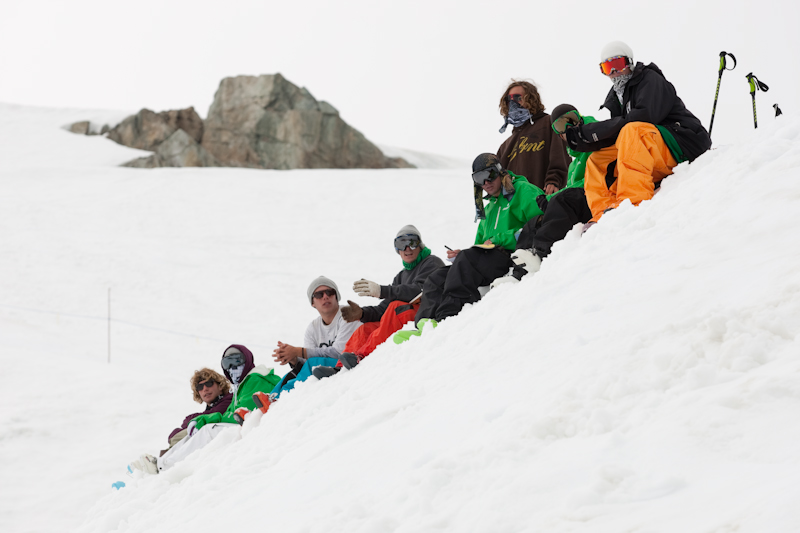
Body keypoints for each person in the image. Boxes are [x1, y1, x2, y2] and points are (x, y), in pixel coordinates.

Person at [562, 41, 712, 223]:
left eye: (617, 65)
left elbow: (644, 116)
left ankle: (633, 201)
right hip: (652, 150)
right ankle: (602, 213)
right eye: (607, 67)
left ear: (630, 62)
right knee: (596, 159)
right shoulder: (616, 97)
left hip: (683, 143)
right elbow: (617, 135)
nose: (613, 72)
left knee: (632, 131)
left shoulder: (650, 79)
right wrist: (590, 140)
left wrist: (597, 130)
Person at [402, 153, 544, 331]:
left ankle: (448, 317)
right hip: (491, 258)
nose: (485, 183)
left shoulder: (522, 191)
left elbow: (541, 224)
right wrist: (462, 255)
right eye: (478, 178)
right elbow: (480, 245)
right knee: (438, 276)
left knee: (467, 260)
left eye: (489, 175)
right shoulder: (490, 206)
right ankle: (423, 325)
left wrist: (498, 240)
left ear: (500, 171)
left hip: (513, 255)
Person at [131, 345, 280, 474]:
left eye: (237, 361)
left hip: (251, 428)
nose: (232, 368)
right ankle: (160, 463)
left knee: (207, 430)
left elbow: (237, 413)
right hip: (244, 426)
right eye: (227, 363)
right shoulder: (242, 385)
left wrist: (204, 419)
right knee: (201, 430)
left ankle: (163, 466)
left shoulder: (254, 379)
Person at [315, 225, 445, 374]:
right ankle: (339, 368)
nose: (407, 248)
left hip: (424, 313)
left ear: (420, 245)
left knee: (395, 307)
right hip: (401, 315)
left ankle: (360, 356)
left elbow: (418, 291)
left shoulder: (432, 262)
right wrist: (362, 314)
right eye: (401, 244)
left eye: (412, 242)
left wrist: (382, 291)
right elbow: (384, 308)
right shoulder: (402, 275)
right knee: (364, 329)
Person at [494, 104, 599, 285]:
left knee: (563, 200)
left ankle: (540, 252)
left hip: (597, 196)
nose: (567, 129)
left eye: (571, 120)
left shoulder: (596, 142)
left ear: (580, 119)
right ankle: (519, 272)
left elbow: (594, 179)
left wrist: (555, 189)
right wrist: (548, 200)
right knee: (534, 222)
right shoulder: (575, 163)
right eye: (559, 127)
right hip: (580, 198)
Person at [128, 368, 233, 475]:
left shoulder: (229, 400)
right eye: (200, 387)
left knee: (187, 433)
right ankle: (145, 471)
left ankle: (157, 467)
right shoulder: (211, 408)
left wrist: (189, 421)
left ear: (220, 386)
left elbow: (212, 414)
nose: (205, 389)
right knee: (182, 435)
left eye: (209, 384)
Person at [270, 276, 360, 394]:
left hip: (350, 365)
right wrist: (293, 358)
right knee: (297, 370)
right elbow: (305, 360)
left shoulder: (348, 315)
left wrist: (299, 352)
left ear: (336, 297)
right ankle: (272, 397)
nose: (325, 297)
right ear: (312, 302)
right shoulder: (313, 327)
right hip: (327, 369)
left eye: (330, 292)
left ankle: (280, 397)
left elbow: (339, 353)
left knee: (312, 363)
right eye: (319, 295)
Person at [496, 80, 570, 195]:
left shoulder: (549, 124)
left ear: (531, 99)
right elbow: (498, 183)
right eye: (508, 99)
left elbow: (560, 155)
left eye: (517, 98)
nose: (513, 103)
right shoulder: (505, 147)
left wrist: (554, 180)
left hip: (544, 201)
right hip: (516, 208)